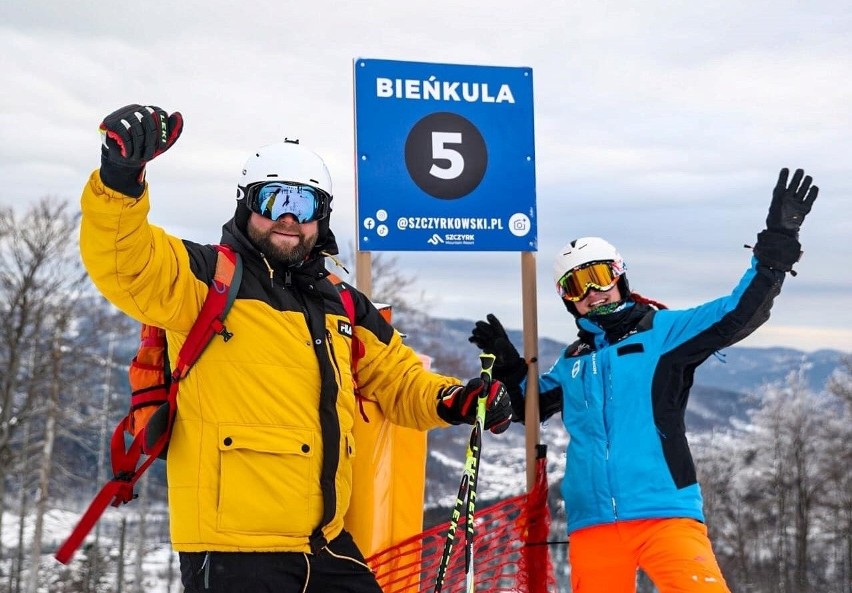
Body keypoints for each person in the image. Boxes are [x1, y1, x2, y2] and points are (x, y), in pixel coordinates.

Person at [80, 104, 513, 593]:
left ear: (321, 216)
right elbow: (125, 262)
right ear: (247, 205)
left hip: (324, 544)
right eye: (274, 199)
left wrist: (454, 399)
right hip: (234, 552)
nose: (289, 216)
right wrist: (120, 178)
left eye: (304, 204)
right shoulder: (203, 279)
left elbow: (398, 379)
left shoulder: (342, 302)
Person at [469, 168, 818, 593]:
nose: (592, 291)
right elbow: (530, 406)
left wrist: (777, 246)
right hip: (592, 521)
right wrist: (508, 367)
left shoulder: (663, 333)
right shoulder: (573, 360)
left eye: (600, 275)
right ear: (568, 300)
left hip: (665, 512)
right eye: (576, 285)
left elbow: (738, 312)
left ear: (620, 276)